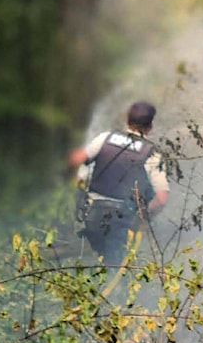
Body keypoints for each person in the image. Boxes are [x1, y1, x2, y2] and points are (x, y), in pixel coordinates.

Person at [68, 101, 169, 264]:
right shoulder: (152, 154)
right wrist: (141, 218)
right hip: (121, 221)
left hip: (92, 215)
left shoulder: (105, 138)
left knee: (92, 262)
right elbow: (161, 199)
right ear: (150, 126)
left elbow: (75, 159)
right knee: (115, 269)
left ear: (126, 118)